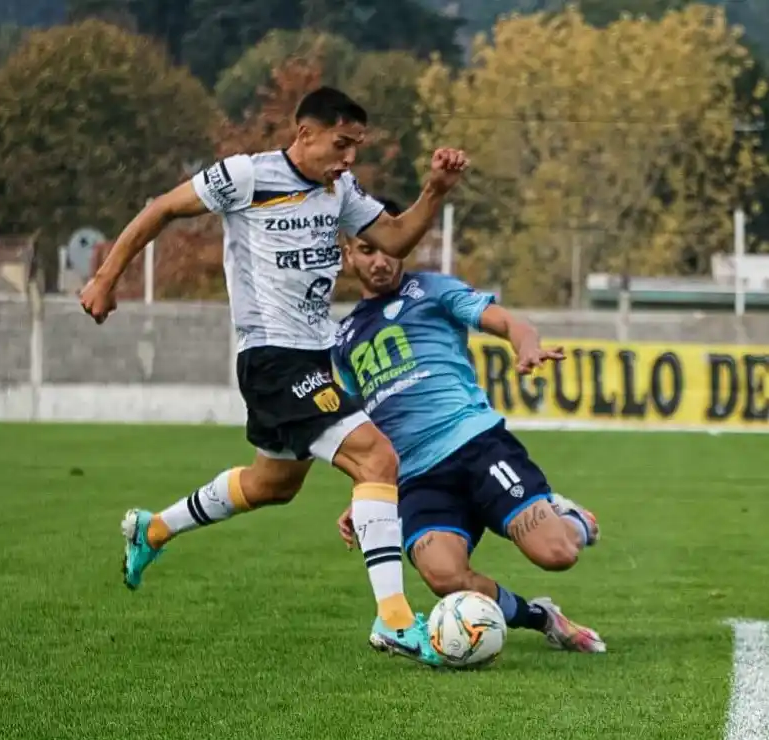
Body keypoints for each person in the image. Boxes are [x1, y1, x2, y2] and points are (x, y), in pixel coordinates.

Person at [79, 86, 469, 666]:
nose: (349, 158)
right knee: (377, 459)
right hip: (272, 358)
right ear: (304, 132)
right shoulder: (246, 176)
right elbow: (161, 207)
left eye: (356, 146)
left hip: (312, 358)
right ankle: (393, 620)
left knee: (272, 487)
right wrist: (107, 277)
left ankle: (153, 529)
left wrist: (434, 190)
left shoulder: (339, 191)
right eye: (341, 143)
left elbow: (393, 236)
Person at [332, 198, 606, 654]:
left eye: (388, 249)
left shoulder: (433, 290)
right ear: (347, 254)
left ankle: (575, 520)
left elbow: (507, 322)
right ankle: (542, 617)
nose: (380, 261)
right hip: (416, 477)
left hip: (474, 445)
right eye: (366, 250)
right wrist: (365, 497)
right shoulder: (341, 341)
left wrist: (527, 345)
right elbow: (363, 429)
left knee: (557, 554)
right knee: (444, 577)